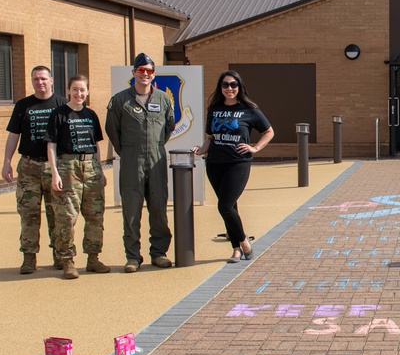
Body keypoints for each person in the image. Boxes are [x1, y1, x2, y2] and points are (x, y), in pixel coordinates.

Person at [192, 71, 274, 262]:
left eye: (233, 84)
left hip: (238, 163)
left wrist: (255, 148)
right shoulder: (214, 109)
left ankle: (244, 241)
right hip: (214, 164)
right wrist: (200, 149)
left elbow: (269, 131)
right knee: (230, 208)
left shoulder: (250, 109)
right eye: (225, 85)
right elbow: (209, 138)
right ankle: (236, 249)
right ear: (220, 88)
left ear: (239, 87)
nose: (230, 88)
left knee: (225, 206)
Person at [106, 53, 175, 273]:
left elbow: (169, 127)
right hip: (131, 161)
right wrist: (127, 151)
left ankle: (159, 253)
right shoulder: (120, 100)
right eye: (141, 70)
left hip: (156, 159)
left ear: (154, 74)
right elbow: (112, 130)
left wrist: (154, 146)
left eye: (149, 71)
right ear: (133, 72)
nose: (145, 74)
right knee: (131, 210)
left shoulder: (163, 99)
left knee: (158, 208)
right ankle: (133, 257)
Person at [2, 66, 66, 274]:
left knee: (56, 213)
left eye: (43, 79)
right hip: (29, 166)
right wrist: (6, 161)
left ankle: (60, 255)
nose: (40, 82)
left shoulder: (62, 104)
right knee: (28, 213)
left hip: (54, 167)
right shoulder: (23, 105)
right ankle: (29, 257)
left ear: (51, 80)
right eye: (36, 79)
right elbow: (13, 135)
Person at [45, 75, 109, 280]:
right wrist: (54, 172)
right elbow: (52, 145)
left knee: (95, 215)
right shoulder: (59, 114)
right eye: (75, 90)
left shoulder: (91, 115)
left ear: (87, 92)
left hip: (91, 167)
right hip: (68, 167)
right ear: (68, 90)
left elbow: (96, 144)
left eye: (82, 90)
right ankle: (67, 261)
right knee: (66, 216)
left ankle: (93, 258)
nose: (79, 94)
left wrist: (99, 170)